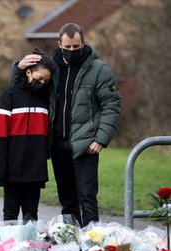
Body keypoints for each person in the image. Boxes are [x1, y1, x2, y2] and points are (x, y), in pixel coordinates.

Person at [10, 23, 121, 227]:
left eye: (76, 47)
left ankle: (91, 243)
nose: (72, 51)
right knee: (67, 200)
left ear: (83, 43)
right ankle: (70, 240)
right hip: (57, 143)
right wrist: (19, 68)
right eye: (67, 47)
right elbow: (21, 89)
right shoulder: (50, 67)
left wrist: (100, 140)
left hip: (86, 145)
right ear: (59, 43)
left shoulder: (99, 70)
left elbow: (111, 106)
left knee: (87, 197)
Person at [0, 49, 57, 222]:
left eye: (46, 81)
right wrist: (0, 172)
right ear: (28, 72)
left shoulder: (46, 99)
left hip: (35, 169)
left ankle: (29, 249)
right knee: (10, 214)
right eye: (39, 79)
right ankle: (10, 248)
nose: (42, 83)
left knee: (31, 215)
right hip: (12, 168)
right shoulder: (9, 96)